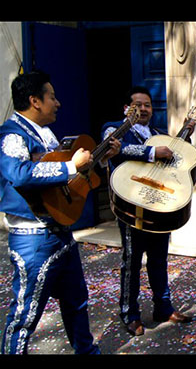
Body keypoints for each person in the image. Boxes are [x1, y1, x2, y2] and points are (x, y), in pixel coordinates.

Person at [0, 70, 120, 354]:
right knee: (25, 315)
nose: (58, 103)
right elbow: (19, 174)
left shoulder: (46, 133)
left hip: (63, 233)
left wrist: (102, 158)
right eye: (52, 96)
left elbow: (66, 181)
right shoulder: (11, 134)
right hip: (34, 240)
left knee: (77, 303)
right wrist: (69, 166)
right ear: (35, 100)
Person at [102, 86, 194, 336]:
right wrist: (152, 152)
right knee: (131, 262)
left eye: (148, 105)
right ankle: (129, 313)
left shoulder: (159, 134)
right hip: (131, 206)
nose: (144, 109)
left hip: (158, 205)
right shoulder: (114, 128)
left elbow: (176, 161)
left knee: (158, 260)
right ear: (126, 108)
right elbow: (115, 149)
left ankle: (163, 307)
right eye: (138, 104)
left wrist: (185, 137)